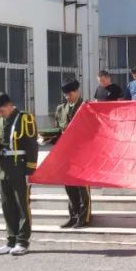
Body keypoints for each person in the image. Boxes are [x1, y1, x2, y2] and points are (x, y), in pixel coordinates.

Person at [0, 92, 38, 256]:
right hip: (4, 168)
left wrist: (30, 170)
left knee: (22, 205)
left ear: (9, 105)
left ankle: (22, 242)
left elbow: (32, 145)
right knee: (7, 205)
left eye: (1, 111)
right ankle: (11, 240)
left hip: (20, 167)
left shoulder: (24, 119)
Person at [52, 80, 91, 229]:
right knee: (69, 185)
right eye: (66, 94)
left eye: (70, 94)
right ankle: (73, 215)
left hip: (82, 152)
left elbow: (92, 130)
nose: (68, 97)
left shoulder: (86, 107)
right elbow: (57, 129)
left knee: (82, 186)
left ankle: (84, 217)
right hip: (65, 152)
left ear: (77, 92)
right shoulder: (60, 109)